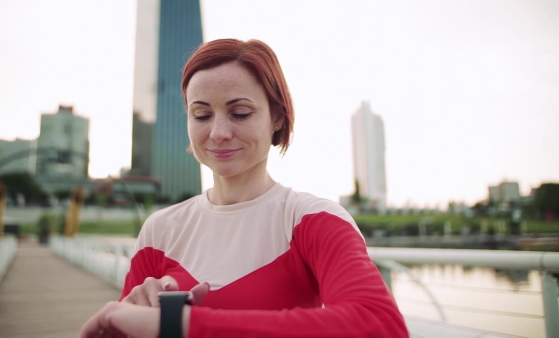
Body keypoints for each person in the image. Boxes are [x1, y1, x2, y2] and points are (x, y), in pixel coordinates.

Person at [79, 38, 409, 338]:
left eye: (239, 113)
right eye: (201, 115)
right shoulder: (159, 230)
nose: (219, 132)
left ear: (277, 117)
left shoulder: (312, 219)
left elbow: (381, 325)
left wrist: (181, 325)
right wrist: (135, 316)